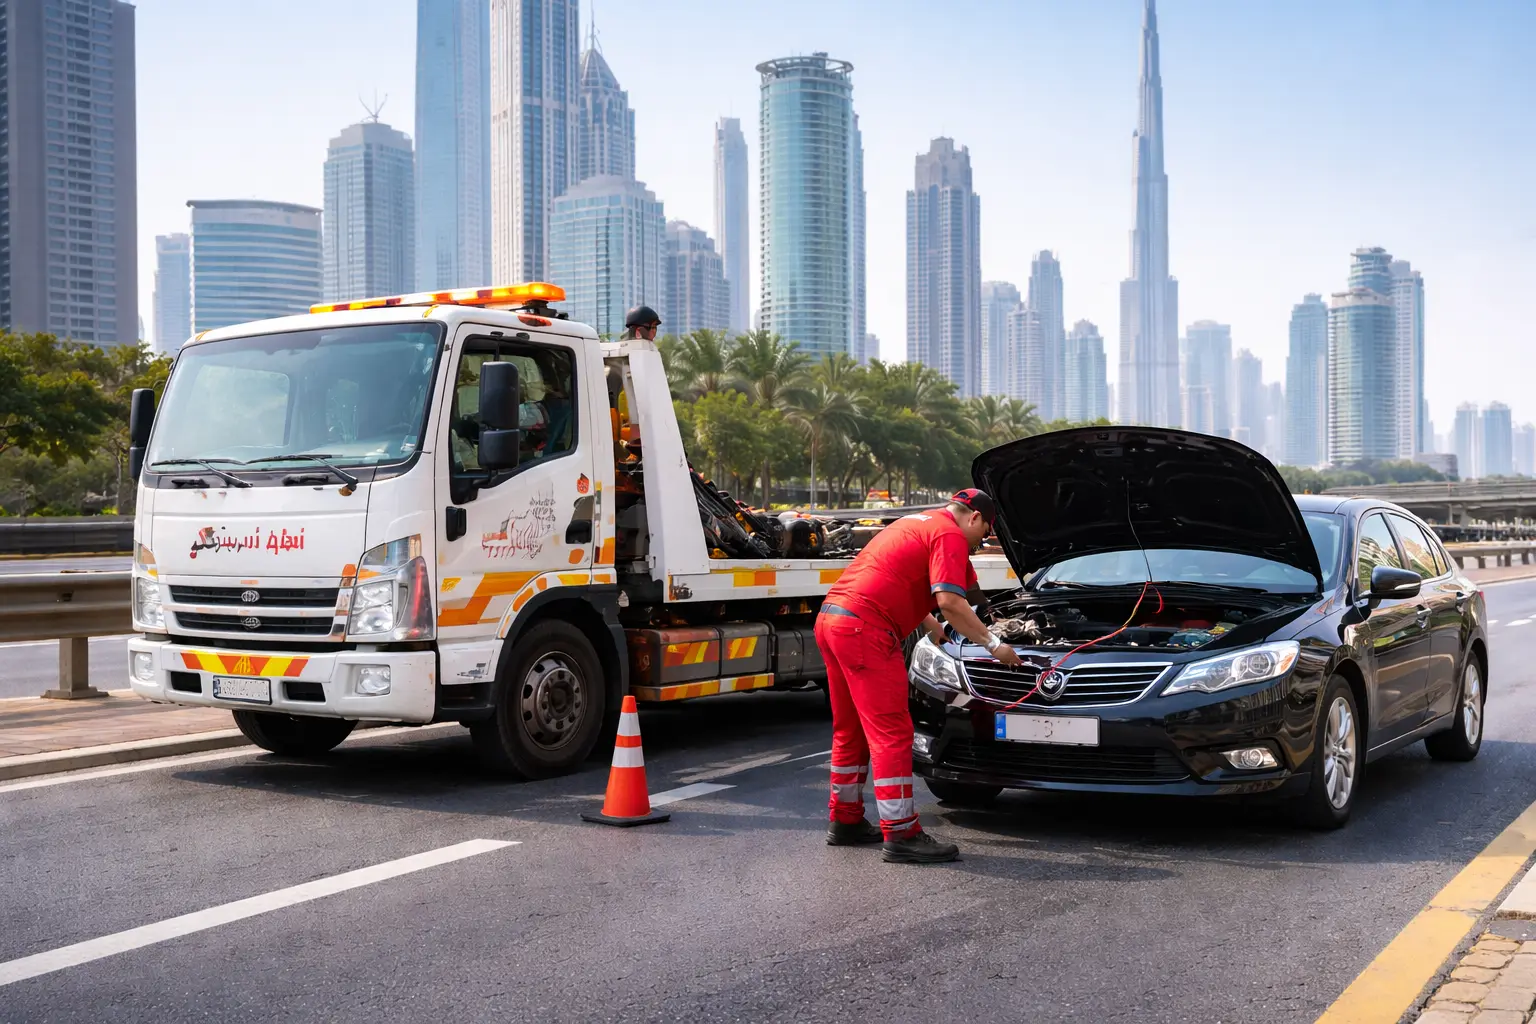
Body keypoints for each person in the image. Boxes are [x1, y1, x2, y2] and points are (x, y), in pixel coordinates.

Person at [815, 488, 1023, 864]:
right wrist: (995, 646)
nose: (981, 542)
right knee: (893, 733)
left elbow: (908, 579)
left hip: (833, 619)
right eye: (985, 533)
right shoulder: (950, 534)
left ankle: (845, 819)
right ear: (974, 517)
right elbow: (950, 601)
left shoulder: (919, 522)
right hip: (866, 629)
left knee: (851, 730)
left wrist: (930, 623)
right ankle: (902, 833)